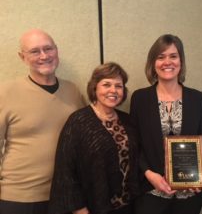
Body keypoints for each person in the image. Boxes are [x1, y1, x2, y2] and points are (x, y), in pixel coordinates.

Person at [0, 29, 85, 214]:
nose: (44, 56)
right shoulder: (5, 93)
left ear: (57, 50)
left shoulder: (73, 91)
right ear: (22, 57)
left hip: (65, 196)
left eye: (48, 49)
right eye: (35, 51)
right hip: (19, 198)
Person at [48, 62, 139, 214]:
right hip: (93, 207)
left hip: (128, 206)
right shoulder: (78, 121)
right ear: (95, 88)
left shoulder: (128, 121)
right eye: (106, 84)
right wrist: (79, 209)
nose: (113, 90)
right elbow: (65, 171)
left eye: (118, 86)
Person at [130, 34, 202, 214]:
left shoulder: (197, 98)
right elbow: (134, 144)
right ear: (153, 63)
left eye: (173, 56)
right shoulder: (140, 98)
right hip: (151, 192)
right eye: (161, 57)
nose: (167, 62)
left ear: (181, 61)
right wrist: (149, 174)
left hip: (189, 195)